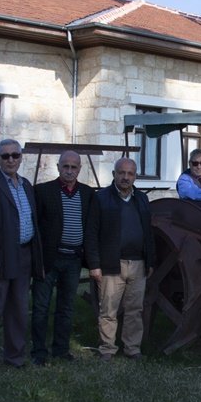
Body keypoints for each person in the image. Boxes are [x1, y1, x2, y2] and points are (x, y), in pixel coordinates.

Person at [0, 139, 43, 371]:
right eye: (5, 156)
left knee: (18, 309)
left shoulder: (26, 185)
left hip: (24, 255)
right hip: (0, 257)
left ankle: (15, 356)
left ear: (21, 157)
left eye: (15, 155)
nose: (11, 160)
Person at [86, 158, 156, 361]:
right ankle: (107, 349)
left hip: (138, 263)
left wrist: (150, 261)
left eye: (130, 173)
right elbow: (91, 233)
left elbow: (148, 232)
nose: (126, 177)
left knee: (135, 309)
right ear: (114, 174)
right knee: (108, 310)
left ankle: (132, 348)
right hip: (111, 263)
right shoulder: (101, 198)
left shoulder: (141, 199)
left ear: (135, 176)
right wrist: (94, 265)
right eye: (121, 173)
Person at [32, 151, 96, 366]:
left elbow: (90, 227)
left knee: (66, 307)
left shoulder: (87, 193)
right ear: (58, 167)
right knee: (41, 307)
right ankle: (39, 351)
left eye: (73, 167)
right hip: (49, 258)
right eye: (65, 166)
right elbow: (36, 227)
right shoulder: (43, 191)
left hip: (73, 260)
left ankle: (61, 349)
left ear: (80, 169)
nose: (69, 171)